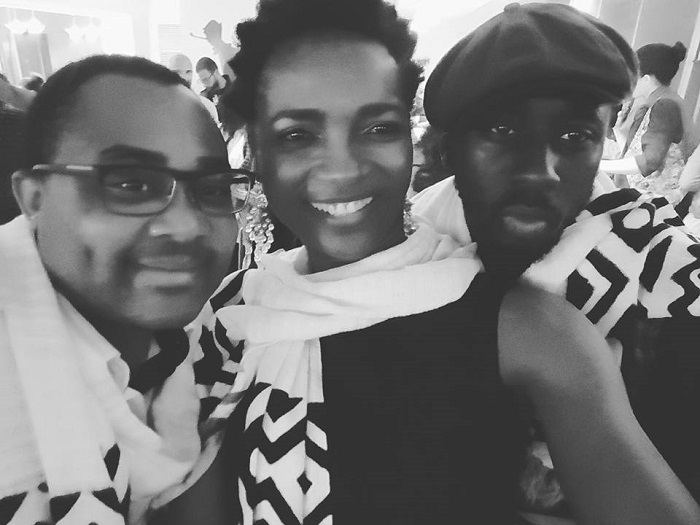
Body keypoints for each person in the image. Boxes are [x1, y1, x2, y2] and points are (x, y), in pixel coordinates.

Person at [157, 1, 699, 524]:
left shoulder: (528, 330)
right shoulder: (227, 315)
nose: (342, 169)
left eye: (378, 128)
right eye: (298, 135)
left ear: (412, 142)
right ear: (255, 150)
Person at [412, 3, 700, 523]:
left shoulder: (665, 274)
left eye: (575, 137)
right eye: (502, 130)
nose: (541, 170)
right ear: (449, 150)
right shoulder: (410, 246)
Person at [0, 54, 252, 524]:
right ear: (33, 197)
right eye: (132, 184)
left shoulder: (222, 353)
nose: (187, 226)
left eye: (213, 189)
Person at [601, 41, 690, 204]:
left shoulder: (665, 106)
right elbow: (638, 155)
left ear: (647, 79)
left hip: (658, 204)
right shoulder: (661, 102)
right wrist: (619, 132)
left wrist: (597, 166)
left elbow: (649, 162)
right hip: (650, 200)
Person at [167, 52, 220, 125]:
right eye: (176, 72)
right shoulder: (158, 108)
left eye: (188, 72)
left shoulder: (207, 106)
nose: (183, 77)